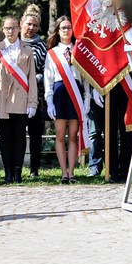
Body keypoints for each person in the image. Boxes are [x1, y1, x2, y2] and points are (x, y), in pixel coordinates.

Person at [0, 16, 38, 184]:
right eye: (7, 28)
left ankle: (17, 172)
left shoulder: (27, 50)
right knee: (5, 137)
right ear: (3, 30)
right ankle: (7, 172)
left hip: (22, 99)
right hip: (3, 100)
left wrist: (32, 103)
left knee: (19, 137)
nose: (10, 31)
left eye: (13, 28)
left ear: (19, 29)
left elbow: (31, 79)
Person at [44, 16, 90, 184]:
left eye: (69, 27)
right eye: (63, 27)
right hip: (59, 94)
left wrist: (87, 99)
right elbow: (48, 78)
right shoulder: (52, 53)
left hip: (76, 93)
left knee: (73, 135)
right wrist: (49, 101)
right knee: (60, 134)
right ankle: (63, 173)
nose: (66, 30)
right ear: (58, 30)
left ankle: (72, 172)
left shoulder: (80, 50)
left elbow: (85, 78)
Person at [19, 4, 47, 178]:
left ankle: (34, 169)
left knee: (36, 135)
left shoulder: (42, 46)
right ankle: (16, 169)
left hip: (35, 96)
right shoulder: (14, 43)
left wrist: (35, 78)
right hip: (15, 97)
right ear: (21, 23)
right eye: (28, 24)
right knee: (18, 134)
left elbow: (46, 70)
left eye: (35, 25)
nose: (31, 28)